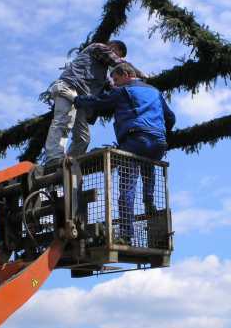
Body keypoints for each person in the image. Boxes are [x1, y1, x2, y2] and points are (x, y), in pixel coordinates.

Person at [74, 63, 176, 244]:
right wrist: (161, 133)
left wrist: (79, 101)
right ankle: (149, 200)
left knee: (127, 187)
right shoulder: (155, 92)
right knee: (148, 165)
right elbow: (171, 117)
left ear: (126, 74)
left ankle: (127, 235)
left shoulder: (124, 91)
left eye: (116, 79)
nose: (114, 84)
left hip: (135, 139)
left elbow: (100, 102)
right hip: (158, 142)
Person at [43, 40, 127, 165]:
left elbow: (114, 88)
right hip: (70, 87)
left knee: (83, 138)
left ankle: (68, 165)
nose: (117, 57)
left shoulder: (103, 74)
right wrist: (140, 76)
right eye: (118, 54)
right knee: (63, 121)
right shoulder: (98, 47)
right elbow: (120, 65)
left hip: (80, 100)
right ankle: (54, 158)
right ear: (113, 47)